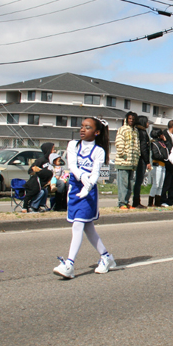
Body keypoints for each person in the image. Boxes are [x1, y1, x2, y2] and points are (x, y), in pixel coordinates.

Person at [53, 117, 116, 279]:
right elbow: (72, 166)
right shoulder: (73, 145)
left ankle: (69, 264)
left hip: (88, 192)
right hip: (75, 188)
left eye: (87, 127)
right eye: (81, 126)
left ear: (96, 132)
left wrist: (88, 186)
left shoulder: (99, 151)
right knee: (88, 228)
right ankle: (106, 257)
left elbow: (95, 174)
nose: (82, 130)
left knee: (78, 225)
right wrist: (82, 178)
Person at [115, 112, 140, 209]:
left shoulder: (135, 131)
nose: (131, 121)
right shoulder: (122, 129)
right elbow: (119, 143)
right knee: (123, 183)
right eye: (129, 119)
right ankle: (121, 202)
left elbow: (137, 145)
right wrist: (123, 154)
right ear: (126, 119)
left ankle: (126, 202)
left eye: (133, 119)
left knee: (130, 183)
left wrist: (137, 156)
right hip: (123, 161)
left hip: (132, 161)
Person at [23, 142, 55, 212]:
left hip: (45, 183)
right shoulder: (41, 160)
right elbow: (30, 171)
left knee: (45, 191)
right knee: (42, 192)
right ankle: (33, 206)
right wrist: (39, 170)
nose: (54, 151)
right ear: (48, 150)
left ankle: (41, 205)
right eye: (53, 149)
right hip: (36, 184)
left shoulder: (51, 160)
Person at [132, 115, 151, 209]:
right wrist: (147, 161)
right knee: (138, 181)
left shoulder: (137, 131)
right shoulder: (142, 132)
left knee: (137, 181)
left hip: (138, 158)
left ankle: (136, 200)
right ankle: (136, 201)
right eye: (147, 121)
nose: (148, 124)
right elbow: (143, 148)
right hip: (141, 159)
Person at [147, 128, 169, 207]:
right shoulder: (154, 143)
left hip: (163, 165)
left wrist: (165, 141)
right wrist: (164, 157)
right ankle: (150, 202)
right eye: (161, 134)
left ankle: (157, 202)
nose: (163, 136)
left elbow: (167, 149)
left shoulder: (162, 143)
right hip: (157, 165)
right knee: (155, 184)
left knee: (160, 185)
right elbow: (155, 155)